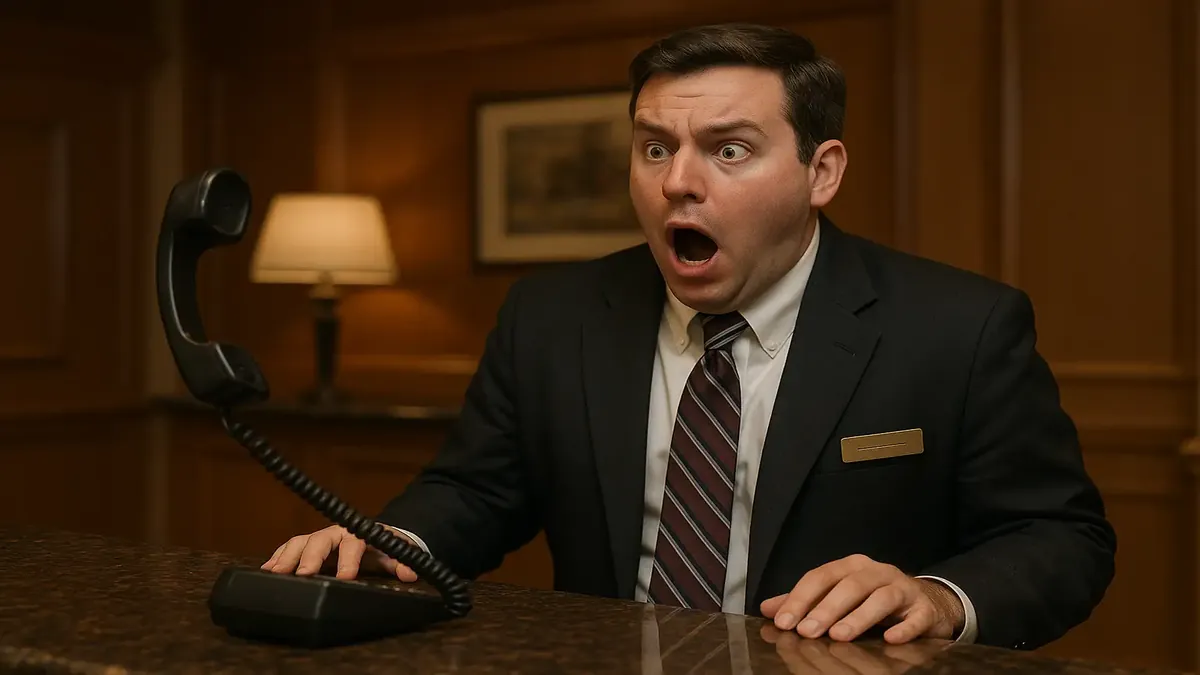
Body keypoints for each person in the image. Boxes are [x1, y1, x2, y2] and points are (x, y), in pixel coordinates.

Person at [259, 23, 1116, 650]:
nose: (679, 182)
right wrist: (387, 546)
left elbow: (1060, 538)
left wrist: (938, 596)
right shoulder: (552, 317)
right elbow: (478, 493)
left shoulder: (957, 328)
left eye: (729, 150)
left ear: (821, 172)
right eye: (654, 147)